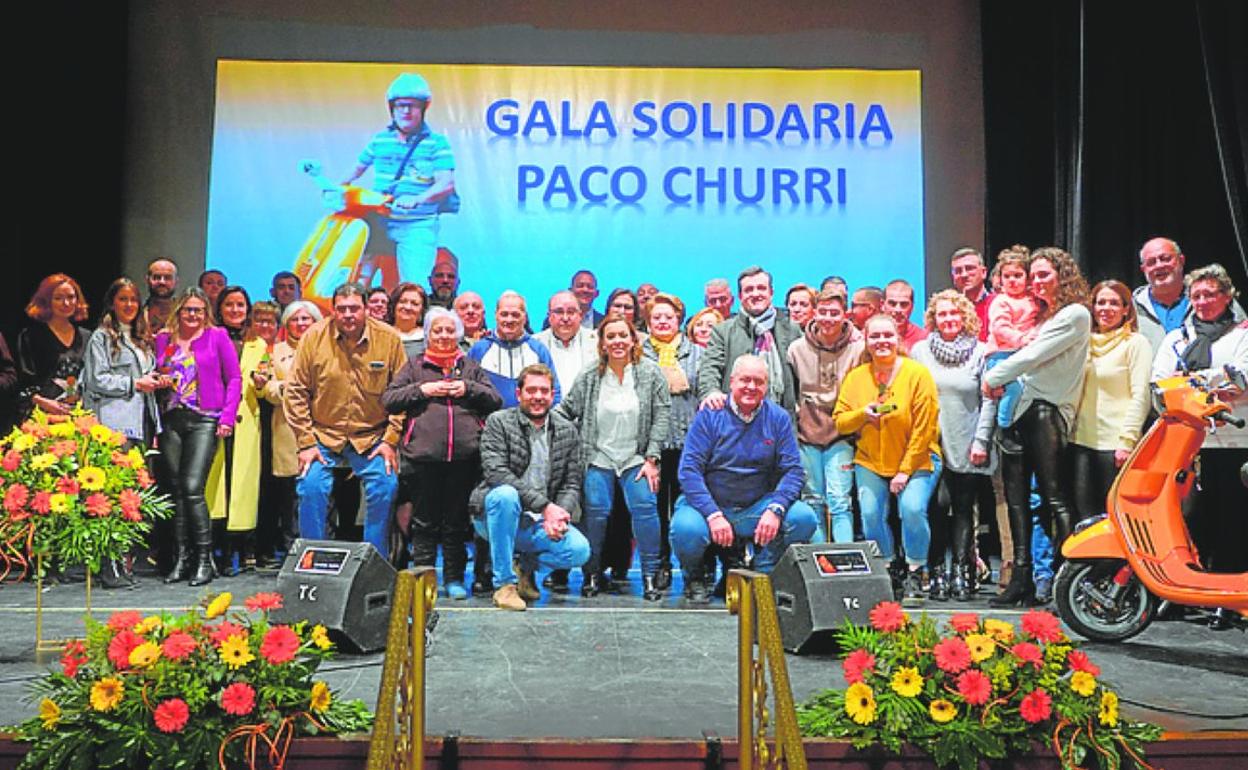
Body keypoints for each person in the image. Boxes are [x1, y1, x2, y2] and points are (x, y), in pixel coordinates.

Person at [982, 247, 1091, 607]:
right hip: (1018, 411)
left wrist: (993, 376)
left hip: (1045, 412)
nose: (1037, 281)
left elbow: (1030, 357)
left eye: (1045, 274)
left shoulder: (1074, 314)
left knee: (1053, 498)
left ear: (1064, 274)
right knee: (1016, 502)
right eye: (1035, 275)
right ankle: (1021, 579)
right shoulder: (1042, 316)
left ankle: (1066, 579)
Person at [672, 355, 820, 603]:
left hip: (757, 505)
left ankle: (763, 569)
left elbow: (794, 471)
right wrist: (712, 514)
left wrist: (775, 508)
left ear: (767, 385)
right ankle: (695, 577)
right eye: (745, 380)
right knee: (685, 529)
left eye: (759, 382)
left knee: (803, 518)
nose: (751, 387)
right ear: (732, 381)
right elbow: (689, 471)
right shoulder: (709, 415)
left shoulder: (778, 418)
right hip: (711, 506)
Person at [1151, 264, 1248, 628]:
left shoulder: (1242, 334)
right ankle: (1181, 592)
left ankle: (1229, 599)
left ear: (1227, 296)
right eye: (1197, 295)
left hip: (1237, 441)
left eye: (1211, 294)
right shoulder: (1177, 336)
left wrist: (1191, 381)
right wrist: (1215, 382)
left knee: (1234, 520)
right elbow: (1160, 382)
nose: (1203, 301)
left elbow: (1242, 378)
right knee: (1188, 518)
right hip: (1186, 441)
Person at [383, 307, 503, 599]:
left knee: (456, 523)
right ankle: (423, 583)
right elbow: (390, 399)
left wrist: (467, 388)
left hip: (464, 460)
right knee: (423, 523)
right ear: (427, 335)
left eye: (450, 330)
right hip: (423, 460)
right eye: (438, 330)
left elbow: (495, 400)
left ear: (459, 335)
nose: (444, 335)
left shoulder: (470, 365)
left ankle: (453, 578)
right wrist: (424, 390)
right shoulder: (414, 366)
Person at [284, 283, 407, 558]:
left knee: (385, 486)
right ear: (333, 310)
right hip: (323, 435)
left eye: (354, 308)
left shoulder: (389, 339)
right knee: (311, 487)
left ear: (366, 309)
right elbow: (295, 392)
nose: (348, 315)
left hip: (372, 437)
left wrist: (390, 441)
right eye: (342, 309)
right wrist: (306, 443)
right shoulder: (313, 337)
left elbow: (401, 395)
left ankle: (373, 562)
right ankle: (313, 559)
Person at [557, 317, 671, 600]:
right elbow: (564, 411)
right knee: (596, 512)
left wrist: (652, 458)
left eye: (624, 335)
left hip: (637, 457)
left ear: (634, 340)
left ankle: (649, 576)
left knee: (645, 508)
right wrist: (571, 445)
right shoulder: (589, 376)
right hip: (599, 456)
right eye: (611, 336)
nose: (618, 341)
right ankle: (592, 573)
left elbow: (662, 415)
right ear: (603, 343)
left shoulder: (650, 373)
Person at [834, 314, 942, 603]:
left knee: (912, 509)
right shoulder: (856, 377)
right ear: (866, 342)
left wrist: (905, 472)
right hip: (871, 460)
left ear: (898, 338)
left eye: (887, 335)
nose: (882, 341)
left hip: (917, 459)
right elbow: (841, 422)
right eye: (875, 336)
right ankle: (889, 567)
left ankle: (918, 570)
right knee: (869, 514)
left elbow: (925, 427)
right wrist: (862, 415)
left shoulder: (917, 374)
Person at [470, 364, 591, 610]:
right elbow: (496, 472)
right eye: (531, 390)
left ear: (552, 395)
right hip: (495, 515)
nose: (538, 396)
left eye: (544, 391)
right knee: (505, 495)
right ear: (519, 394)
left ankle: (525, 569)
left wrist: (559, 515)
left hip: (539, 520)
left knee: (579, 551)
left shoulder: (567, 430)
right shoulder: (499, 422)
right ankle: (504, 584)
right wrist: (545, 506)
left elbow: (571, 482)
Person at [910, 291, 996, 602]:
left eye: (954, 314)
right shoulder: (919, 351)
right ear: (933, 318)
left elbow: (989, 400)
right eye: (942, 314)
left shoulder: (981, 352)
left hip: (968, 440)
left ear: (965, 317)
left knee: (963, 509)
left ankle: (963, 570)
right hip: (931, 443)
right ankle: (935, 570)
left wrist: (982, 440)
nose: (948, 319)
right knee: (936, 507)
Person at [155, 289, 242, 587]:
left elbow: (235, 378)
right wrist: (159, 380)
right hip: (171, 418)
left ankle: (205, 560)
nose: (193, 315)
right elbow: (157, 373)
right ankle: (182, 559)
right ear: (178, 311)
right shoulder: (164, 339)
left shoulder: (216, 336)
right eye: (187, 310)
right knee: (177, 490)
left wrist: (227, 417)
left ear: (206, 312)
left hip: (205, 418)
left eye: (198, 310)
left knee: (193, 487)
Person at [80, 277, 161, 589]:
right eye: (123, 299)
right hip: (112, 425)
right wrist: (134, 384)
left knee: (129, 496)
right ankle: (109, 565)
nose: (129, 305)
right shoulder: (102, 336)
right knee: (110, 496)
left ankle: (123, 561)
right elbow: (96, 380)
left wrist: (155, 380)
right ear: (112, 303)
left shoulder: (140, 337)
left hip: (139, 421)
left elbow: (142, 376)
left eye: (133, 300)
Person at [341, 73, 456, 285]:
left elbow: (446, 183)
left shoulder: (437, 143)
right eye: (400, 105)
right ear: (391, 107)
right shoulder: (380, 139)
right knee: (353, 282)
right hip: (378, 220)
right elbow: (357, 168)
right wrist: (338, 186)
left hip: (416, 223)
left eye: (412, 105)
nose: (405, 111)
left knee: (414, 287)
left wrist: (419, 198)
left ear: (424, 107)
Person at [1069, 280, 1151, 522]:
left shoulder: (1135, 343)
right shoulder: (1083, 342)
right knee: (1085, 518)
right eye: (1100, 302)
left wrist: (1127, 440)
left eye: (1114, 303)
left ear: (1126, 309)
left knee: (1114, 518)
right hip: (1080, 441)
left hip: (1115, 445)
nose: (1106, 308)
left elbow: (1141, 396)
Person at [787, 290, 865, 543]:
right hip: (807, 434)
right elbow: (793, 392)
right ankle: (819, 562)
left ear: (845, 315)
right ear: (813, 313)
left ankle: (844, 562)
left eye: (835, 313)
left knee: (840, 501)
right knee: (812, 499)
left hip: (842, 433)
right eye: (823, 312)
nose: (828, 318)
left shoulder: (860, 347)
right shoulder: (796, 349)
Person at [641, 293, 702, 591]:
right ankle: (660, 564)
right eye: (656, 317)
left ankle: (693, 572)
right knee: (655, 510)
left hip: (689, 445)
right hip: (651, 446)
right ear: (648, 322)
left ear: (679, 319)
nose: (663, 321)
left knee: (688, 509)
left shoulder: (698, 353)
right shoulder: (638, 353)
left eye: (669, 317)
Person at [206, 287, 265, 574]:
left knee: (240, 489)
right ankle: (214, 552)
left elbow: (265, 386)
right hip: (216, 419)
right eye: (229, 304)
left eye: (240, 305)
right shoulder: (209, 339)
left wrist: (263, 383)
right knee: (215, 489)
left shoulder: (259, 345)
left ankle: (237, 552)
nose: (235, 310)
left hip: (247, 424)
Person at [261, 300, 323, 566]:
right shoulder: (275, 351)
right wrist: (291, 388)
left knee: (318, 492)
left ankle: (318, 550)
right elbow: (267, 389)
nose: (301, 324)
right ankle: (291, 552)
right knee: (289, 496)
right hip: (286, 430)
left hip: (322, 429)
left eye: (306, 319)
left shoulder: (327, 347)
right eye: (295, 320)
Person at [698, 266, 802, 412]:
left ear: (771, 293)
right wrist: (711, 392)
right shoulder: (722, 331)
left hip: (782, 419)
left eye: (761, 288)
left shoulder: (792, 329)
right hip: (735, 421)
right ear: (740, 297)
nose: (755, 294)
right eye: (749, 290)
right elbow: (710, 368)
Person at [1133, 237, 1245, 354]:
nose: (1159, 265)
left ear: (1181, 260)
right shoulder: (1130, 308)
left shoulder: (1213, 297)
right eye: (1151, 262)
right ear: (1143, 269)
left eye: (1165, 259)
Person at [468, 291, 560, 407]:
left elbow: (554, 393)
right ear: (496, 315)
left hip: (531, 423)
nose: (510, 320)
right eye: (504, 314)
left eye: (515, 315)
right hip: (488, 423)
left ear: (525, 317)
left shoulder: (538, 349)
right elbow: (468, 390)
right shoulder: (479, 349)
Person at [17, 274, 89, 419]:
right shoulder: (31, 336)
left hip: (78, 416)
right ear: (46, 301)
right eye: (58, 298)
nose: (66, 303)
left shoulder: (87, 337)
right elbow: (23, 383)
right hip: (42, 417)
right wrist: (46, 404)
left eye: (71, 297)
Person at [984, 246, 1039, 430]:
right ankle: (1004, 426)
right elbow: (1000, 328)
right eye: (1007, 276)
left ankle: (1019, 424)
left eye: (1017, 275)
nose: (1012, 280)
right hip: (1000, 355)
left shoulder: (1032, 299)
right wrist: (1021, 339)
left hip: (1022, 354)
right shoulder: (1001, 301)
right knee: (1013, 388)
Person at [534, 290, 598, 394]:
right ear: (549, 316)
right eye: (559, 312)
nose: (565, 318)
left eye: (571, 312)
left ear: (580, 315)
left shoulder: (597, 342)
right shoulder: (535, 344)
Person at [950, 247, 992, 340]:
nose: (964, 274)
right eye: (958, 271)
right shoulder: (949, 309)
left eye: (969, 268)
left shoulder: (999, 304)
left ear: (984, 272)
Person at [883, 279, 928, 353]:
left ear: (912, 307)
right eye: (892, 304)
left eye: (903, 304)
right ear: (882, 305)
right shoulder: (869, 337)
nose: (898, 310)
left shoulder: (924, 339)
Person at [387, 282, 428, 359]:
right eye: (402, 302)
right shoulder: (383, 334)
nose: (408, 307)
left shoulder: (428, 337)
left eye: (414, 303)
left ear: (422, 310)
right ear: (394, 305)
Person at [143, 259, 179, 334]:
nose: (162, 282)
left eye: (168, 278)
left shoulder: (185, 314)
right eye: (157, 277)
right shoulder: (137, 314)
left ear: (176, 281)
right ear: (147, 280)